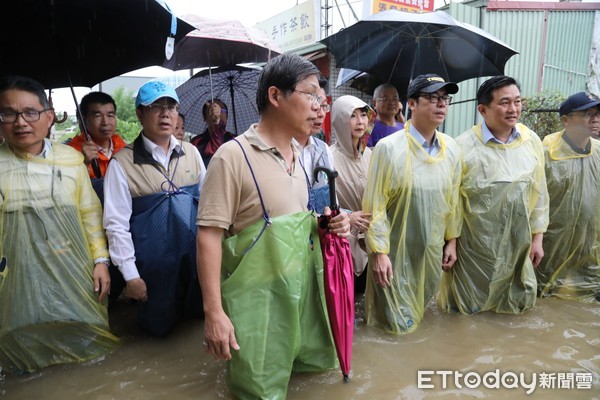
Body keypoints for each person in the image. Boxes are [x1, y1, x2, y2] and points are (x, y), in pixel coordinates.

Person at [196, 53, 351, 399]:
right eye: (310, 94)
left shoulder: (299, 154)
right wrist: (214, 313)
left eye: (322, 99)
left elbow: (292, 221)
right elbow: (208, 236)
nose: (319, 106)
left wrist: (326, 226)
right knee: (259, 390)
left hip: (300, 296)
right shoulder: (232, 157)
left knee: (310, 376)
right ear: (275, 96)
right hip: (257, 307)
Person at [0, 75, 118, 373]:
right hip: (16, 271)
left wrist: (101, 260)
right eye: (9, 114)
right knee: (18, 342)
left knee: (83, 338)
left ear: (49, 116)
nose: (20, 122)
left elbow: (89, 213)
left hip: (72, 265)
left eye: (30, 112)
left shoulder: (70, 160)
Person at [438, 76, 549, 315]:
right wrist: (452, 242)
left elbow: (539, 192)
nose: (514, 109)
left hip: (517, 242)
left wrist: (537, 237)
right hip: (474, 245)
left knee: (516, 302)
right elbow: (452, 201)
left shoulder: (531, 141)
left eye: (517, 102)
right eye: (505, 102)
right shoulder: (463, 146)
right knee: (468, 307)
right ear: (482, 109)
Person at [103, 81, 207, 337]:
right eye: (156, 107)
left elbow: (208, 206)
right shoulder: (122, 163)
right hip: (153, 274)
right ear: (140, 113)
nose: (165, 113)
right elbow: (116, 224)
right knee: (157, 334)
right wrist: (131, 276)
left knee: (198, 327)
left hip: (196, 266)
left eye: (171, 107)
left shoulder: (192, 154)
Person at [363, 74, 462, 334]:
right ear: (412, 104)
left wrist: (451, 240)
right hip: (395, 255)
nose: (441, 104)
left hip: (429, 252)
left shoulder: (450, 148)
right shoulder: (388, 148)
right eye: (432, 98)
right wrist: (379, 253)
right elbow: (376, 205)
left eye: (444, 99)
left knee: (423, 320)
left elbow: (453, 198)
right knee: (397, 328)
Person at [536, 92, 600, 302]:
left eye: (598, 113)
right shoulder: (545, 152)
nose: (595, 118)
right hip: (550, 246)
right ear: (565, 120)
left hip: (590, 246)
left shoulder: (598, 152)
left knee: (588, 299)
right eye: (587, 113)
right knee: (543, 295)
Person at [330, 95, 375, 293]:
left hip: (372, 241)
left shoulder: (372, 156)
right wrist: (349, 215)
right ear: (340, 121)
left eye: (363, 115)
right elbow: (316, 204)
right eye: (353, 116)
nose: (360, 121)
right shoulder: (328, 157)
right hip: (343, 241)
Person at [68, 92, 127, 203]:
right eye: (97, 116)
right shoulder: (72, 152)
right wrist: (84, 164)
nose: (105, 122)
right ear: (84, 120)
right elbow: (68, 190)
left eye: (110, 115)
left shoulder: (123, 147)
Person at [293, 76, 335, 214]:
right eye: (313, 102)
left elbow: (332, 201)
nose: (321, 113)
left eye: (323, 105)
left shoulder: (323, 149)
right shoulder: (280, 152)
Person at [191, 99, 235, 167]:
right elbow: (214, 155)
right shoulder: (196, 143)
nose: (218, 113)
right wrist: (217, 123)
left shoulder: (235, 140)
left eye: (222, 110)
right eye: (212, 110)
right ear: (204, 117)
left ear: (227, 116)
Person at [367, 83, 404, 148]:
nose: (391, 103)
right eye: (386, 99)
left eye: (395, 99)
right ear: (375, 104)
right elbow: (365, 155)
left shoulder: (403, 128)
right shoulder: (368, 128)